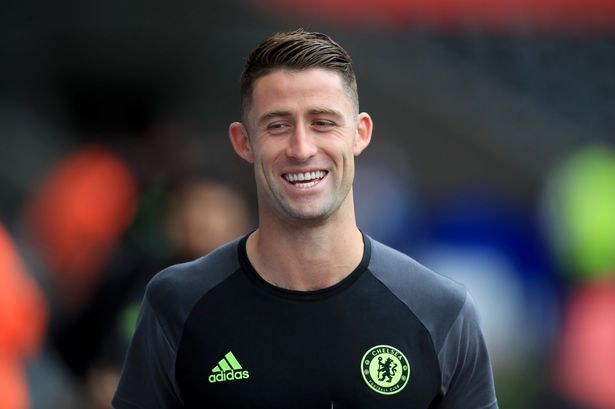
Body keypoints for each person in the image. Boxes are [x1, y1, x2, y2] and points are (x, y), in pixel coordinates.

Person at [113, 29, 499, 409]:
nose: (301, 148)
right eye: (277, 125)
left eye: (323, 122)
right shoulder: (177, 303)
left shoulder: (440, 311)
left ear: (360, 133)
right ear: (243, 142)